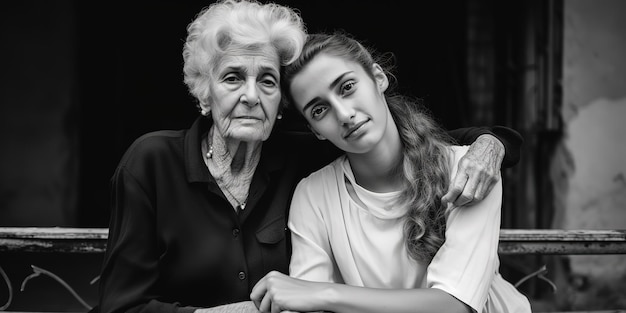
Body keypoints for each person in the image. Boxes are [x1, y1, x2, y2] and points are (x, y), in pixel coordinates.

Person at [94, 1, 523, 312]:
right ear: (204, 92)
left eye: (266, 80)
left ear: (281, 105)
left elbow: (426, 145)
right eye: (231, 78)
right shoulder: (151, 162)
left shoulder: (302, 156)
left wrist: (493, 144)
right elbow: (119, 306)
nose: (249, 95)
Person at [250, 32, 532, 313]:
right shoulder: (313, 195)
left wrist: (326, 294)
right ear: (315, 130)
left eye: (347, 87)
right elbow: (306, 307)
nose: (344, 114)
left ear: (378, 78)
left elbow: (455, 306)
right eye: (320, 110)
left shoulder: (469, 170)